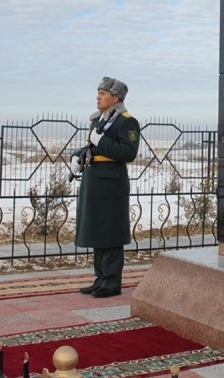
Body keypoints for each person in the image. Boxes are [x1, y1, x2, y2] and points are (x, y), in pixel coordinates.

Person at [69, 77, 140, 298]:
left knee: (110, 233)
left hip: (111, 183)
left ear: (115, 97)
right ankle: (101, 278)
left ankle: (111, 283)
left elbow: (128, 153)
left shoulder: (126, 121)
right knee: (98, 232)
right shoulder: (98, 120)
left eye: (103, 93)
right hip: (95, 180)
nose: (98, 96)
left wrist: (102, 142)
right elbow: (93, 146)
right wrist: (77, 156)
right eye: (98, 92)